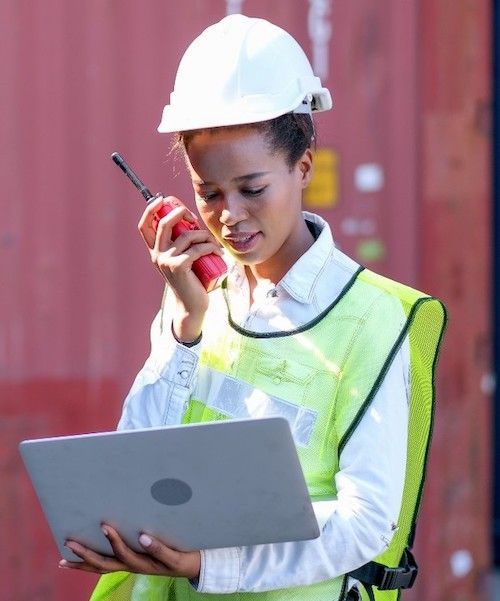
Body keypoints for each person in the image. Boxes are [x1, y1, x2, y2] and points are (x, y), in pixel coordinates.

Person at [60, 14, 446, 601]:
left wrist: (209, 564)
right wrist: (185, 327)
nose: (228, 216)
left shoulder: (370, 320)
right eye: (208, 192)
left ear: (304, 167)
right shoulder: (195, 299)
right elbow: (137, 469)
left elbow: (368, 521)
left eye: (253, 188)